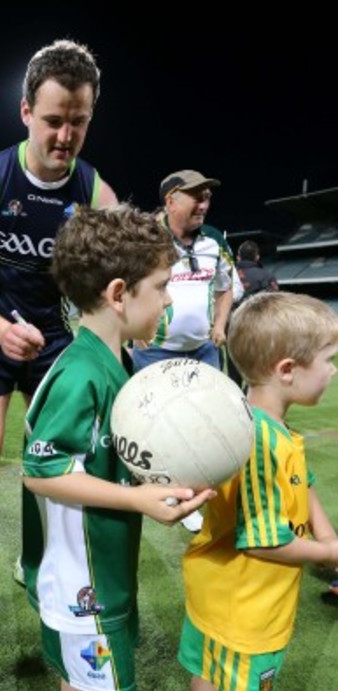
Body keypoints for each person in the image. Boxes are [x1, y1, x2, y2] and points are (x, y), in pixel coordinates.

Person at [19, 204, 215, 691]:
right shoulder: (82, 371)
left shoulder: (113, 358)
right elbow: (42, 470)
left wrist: (162, 484)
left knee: (90, 688)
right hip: (84, 583)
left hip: (97, 569)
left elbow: (107, 454)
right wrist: (136, 500)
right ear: (118, 293)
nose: (169, 302)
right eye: (161, 288)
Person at [0, 38, 118, 652]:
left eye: (78, 121)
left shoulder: (97, 196)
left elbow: (111, 286)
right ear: (25, 112)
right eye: (53, 120)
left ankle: (35, 563)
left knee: (54, 461)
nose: (65, 135)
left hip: (58, 343)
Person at [173, 290, 338, 691]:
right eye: (329, 360)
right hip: (251, 605)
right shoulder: (264, 442)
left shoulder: (250, 419)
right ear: (287, 370)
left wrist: (324, 527)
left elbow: (302, 481)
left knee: (210, 673)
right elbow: (264, 541)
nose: (333, 371)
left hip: (215, 589)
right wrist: (326, 552)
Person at [132, 169, 242, 533]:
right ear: (170, 201)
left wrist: (220, 324)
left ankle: (195, 493)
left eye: (207, 197)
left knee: (205, 426)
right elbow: (120, 281)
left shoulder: (214, 240)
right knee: (156, 427)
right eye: (196, 196)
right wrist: (133, 325)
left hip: (203, 351)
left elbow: (225, 287)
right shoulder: (144, 237)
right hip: (155, 352)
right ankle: (162, 492)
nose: (204, 205)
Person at [225, 240, 279, 386]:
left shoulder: (228, 274)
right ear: (257, 257)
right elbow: (274, 302)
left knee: (233, 371)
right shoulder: (267, 275)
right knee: (256, 369)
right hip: (258, 327)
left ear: (238, 257)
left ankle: (235, 397)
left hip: (232, 327)